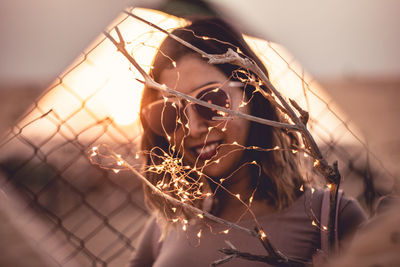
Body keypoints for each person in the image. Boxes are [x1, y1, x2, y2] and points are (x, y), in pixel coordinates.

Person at [129, 17, 366, 267]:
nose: (194, 129)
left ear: (252, 95)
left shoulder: (329, 217)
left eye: (211, 102)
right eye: (169, 112)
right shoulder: (167, 224)